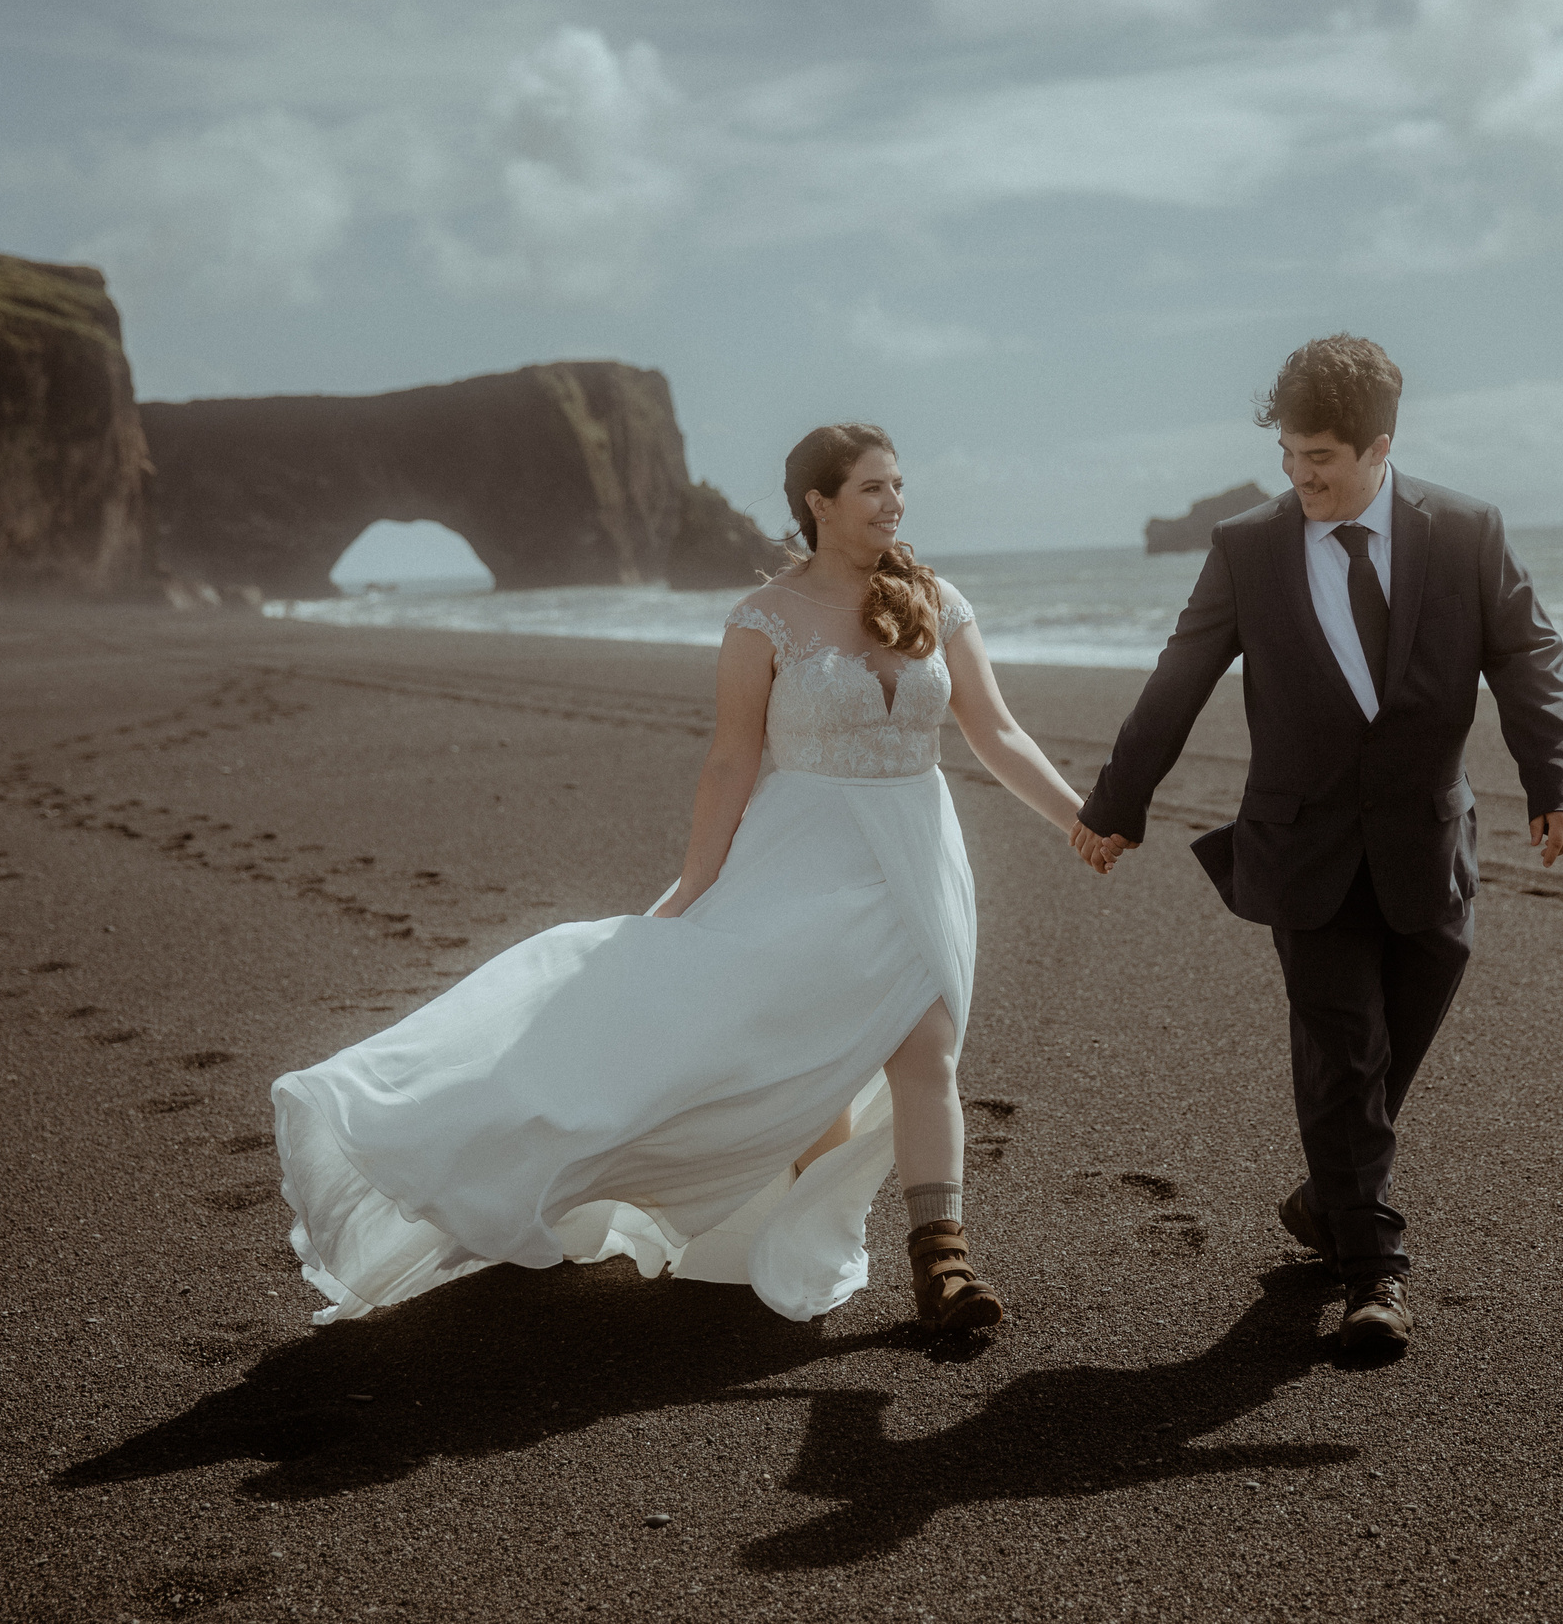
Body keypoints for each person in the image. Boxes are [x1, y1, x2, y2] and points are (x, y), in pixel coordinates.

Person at [273, 423, 1103, 1334]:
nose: (894, 503)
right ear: (818, 504)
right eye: (871, 487)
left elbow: (995, 730)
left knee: (926, 1040)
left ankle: (942, 1259)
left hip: (917, 848)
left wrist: (1076, 816)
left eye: (898, 484)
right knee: (796, 1047)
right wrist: (695, 886)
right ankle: (759, 1189)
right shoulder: (765, 618)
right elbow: (730, 762)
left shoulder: (937, 601)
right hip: (804, 858)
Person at [1070, 335, 1563, 1354]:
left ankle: (1329, 1197)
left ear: (1379, 446)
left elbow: (1526, 653)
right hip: (1301, 849)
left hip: (1427, 847)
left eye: (1320, 458)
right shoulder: (1247, 548)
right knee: (1344, 1056)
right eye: (1289, 455)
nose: (1300, 476)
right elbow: (1179, 676)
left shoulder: (1466, 533)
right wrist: (1117, 804)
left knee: (1383, 1056)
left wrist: (1557, 779)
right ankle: (1374, 1274)